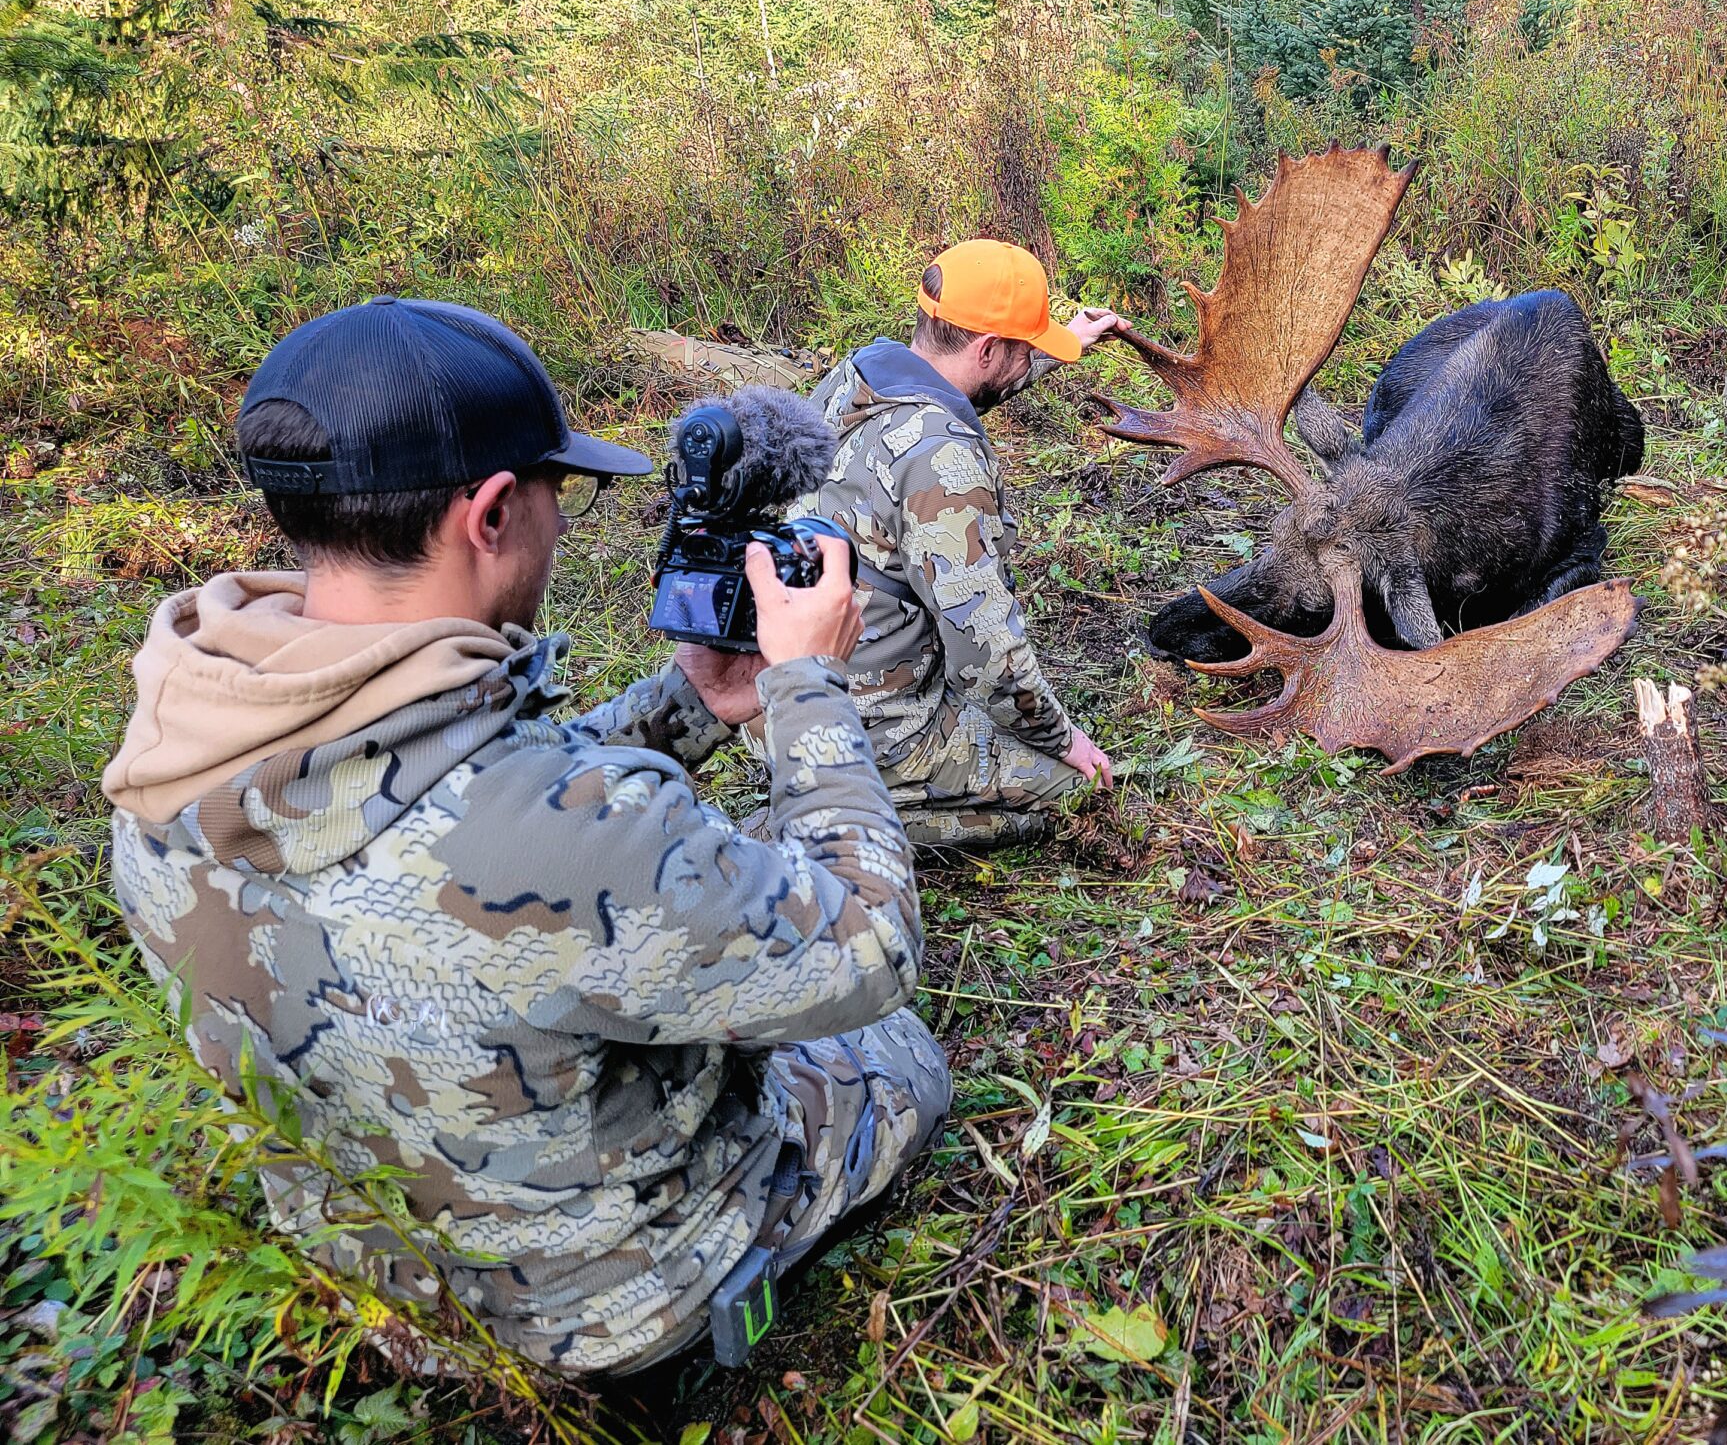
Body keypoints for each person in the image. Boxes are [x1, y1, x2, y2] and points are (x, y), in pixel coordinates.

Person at [101, 296, 950, 1376]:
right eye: (561, 490)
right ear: (493, 512)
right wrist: (806, 688)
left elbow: (437, 799)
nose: (562, 519)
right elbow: (870, 948)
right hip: (605, 1306)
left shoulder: (175, 752)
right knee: (892, 1053)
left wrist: (685, 702)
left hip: (383, 1279)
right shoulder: (591, 825)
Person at [796, 240, 1130, 850]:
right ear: (987, 348)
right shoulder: (941, 459)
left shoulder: (861, 376)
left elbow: (960, 388)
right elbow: (984, 652)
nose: (1032, 358)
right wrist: (1065, 742)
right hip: (873, 727)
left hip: (796, 689)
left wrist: (1063, 346)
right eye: (1026, 349)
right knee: (1078, 795)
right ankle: (838, 817)